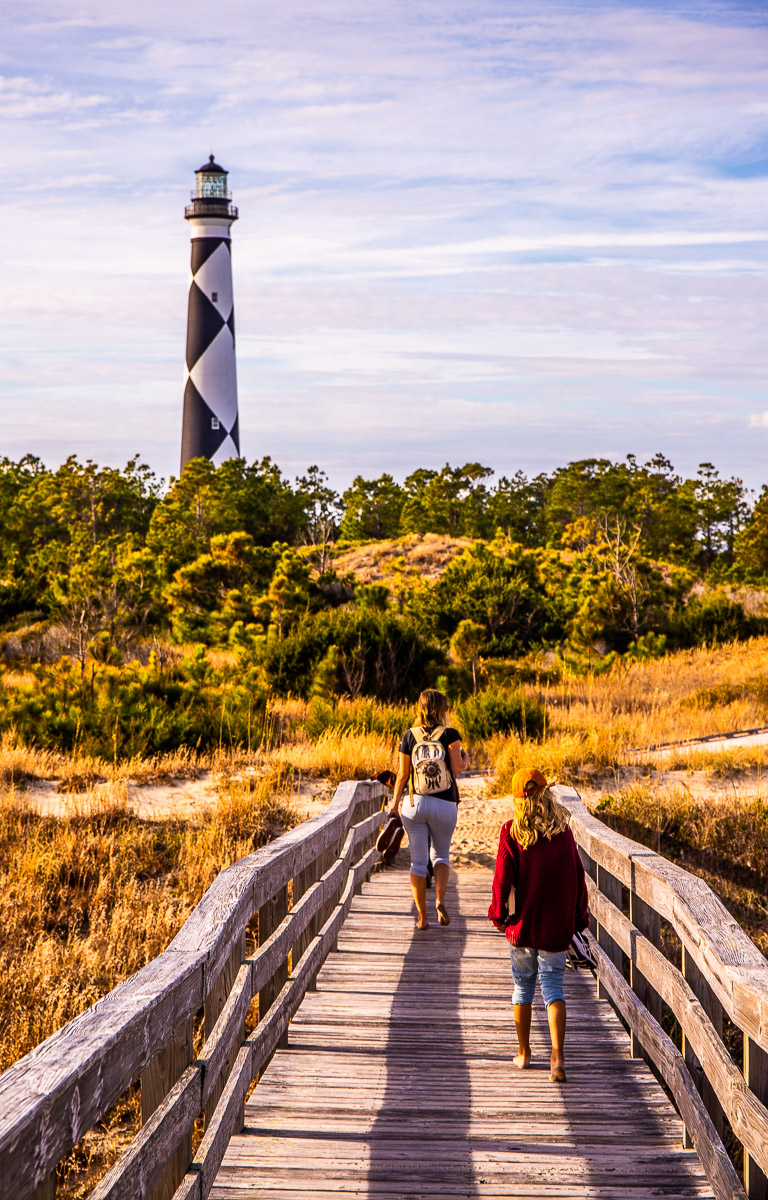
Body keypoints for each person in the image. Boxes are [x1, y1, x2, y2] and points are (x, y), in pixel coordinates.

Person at [488, 768, 588, 1083]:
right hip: (555, 927)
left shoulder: (511, 832)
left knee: (523, 987)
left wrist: (497, 914)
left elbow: (502, 880)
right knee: (554, 987)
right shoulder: (564, 832)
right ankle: (557, 1058)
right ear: (546, 795)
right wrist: (578, 918)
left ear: (517, 800)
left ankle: (524, 1052)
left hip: (521, 926)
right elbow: (578, 877)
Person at [389, 688, 468, 930]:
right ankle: (440, 900)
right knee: (441, 855)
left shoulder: (408, 736)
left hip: (415, 804)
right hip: (444, 804)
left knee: (417, 862)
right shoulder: (450, 734)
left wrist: (393, 806)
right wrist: (466, 759)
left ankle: (422, 919)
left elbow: (402, 775)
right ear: (442, 709)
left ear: (421, 708)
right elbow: (456, 768)